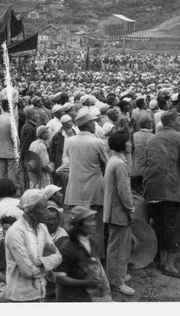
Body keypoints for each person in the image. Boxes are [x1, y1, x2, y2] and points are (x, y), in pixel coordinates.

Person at [143, 109, 180, 279]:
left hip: (152, 187)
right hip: (170, 187)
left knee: (158, 223)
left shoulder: (152, 139)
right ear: (171, 122)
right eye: (179, 120)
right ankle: (170, 266)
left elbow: (147, 162)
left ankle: (161, 261)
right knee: (172, 226)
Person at [64, 107, 109, 260]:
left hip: (75, 191)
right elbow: (106, 165)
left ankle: (78, 259)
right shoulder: (98, 142)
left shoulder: (69, 142)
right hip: (93, 191)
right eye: (93, 122)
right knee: (94, 228)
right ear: (89, 124)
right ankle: (95, 260)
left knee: (77, 227)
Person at [4, 189, 62, 302]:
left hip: (40, 293)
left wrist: (40, 262)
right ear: (31, 211)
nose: (47, 211)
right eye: (43, 208)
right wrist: (48, 264)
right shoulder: (15, 232)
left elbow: (58, 257)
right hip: (20, 297)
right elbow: (27, 271)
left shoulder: (42, 229)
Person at [53, 206, 110, 302]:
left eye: (94, 220)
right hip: (69, 299)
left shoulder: (90, 242)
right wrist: (86, 282)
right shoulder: (68, 248)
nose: (94, 224)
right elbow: (60, 278)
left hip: (84, 296)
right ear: (79, 225)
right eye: (89, 221)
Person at [103, 132, 135, 296]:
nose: (130, 144)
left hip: (114, 210)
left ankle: (118, 276)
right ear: (122, 144)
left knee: (118, 246)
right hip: (119, 211)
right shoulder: (119, 164)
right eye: (128, 142)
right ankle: (116, 282)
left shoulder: (114, 160)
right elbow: (124, 191)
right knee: (119, 247)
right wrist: (131, 209)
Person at [0, 99, 19, 184]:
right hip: (11, 149)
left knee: (1, 170)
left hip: (1, 149)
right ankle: (11, 189)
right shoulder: (11, 119)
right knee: (11, 171)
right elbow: (14, 137)